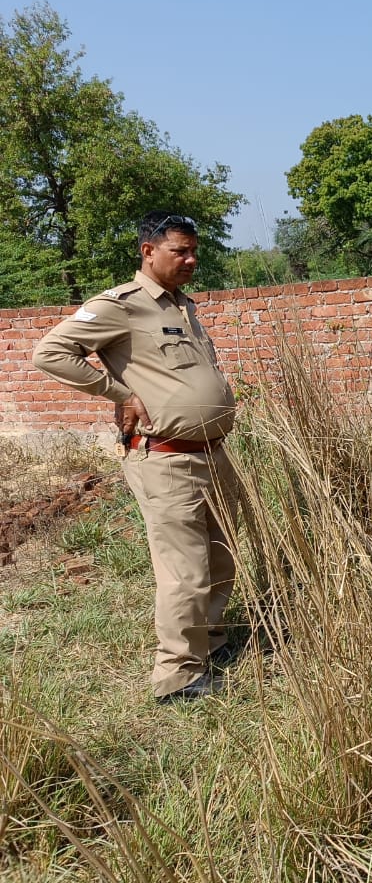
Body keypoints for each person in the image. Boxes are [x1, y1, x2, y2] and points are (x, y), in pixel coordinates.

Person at [33, 212, 239, 703]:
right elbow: (51, 352)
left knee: (220, 557)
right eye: (179, 252)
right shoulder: (120, 306)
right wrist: (119, 394)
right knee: (184, 572)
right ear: (148, 251)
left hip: (212, 454)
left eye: (194, 251)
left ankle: (210, 641)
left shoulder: (181, 306)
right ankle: (178, 676)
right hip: (167, 461)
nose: (191, 260)